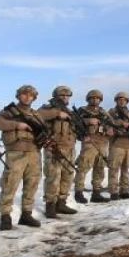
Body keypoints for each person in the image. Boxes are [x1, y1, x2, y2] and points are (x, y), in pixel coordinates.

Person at [0, 85, 44, 231]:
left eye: (31, 95)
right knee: (10, 184)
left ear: (34, 98)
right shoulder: (9, 111)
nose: (27, 97)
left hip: (33, 153)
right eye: (24, 94)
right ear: (19, 96)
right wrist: (16, 125)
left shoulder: (36, 114)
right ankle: (5, 216)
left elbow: (44, 131)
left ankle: (26, 214)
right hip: (15, 153)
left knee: (32, 184)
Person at [37, 86, 79, 218]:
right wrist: (57, 113)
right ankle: (50, 205)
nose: (65, 98)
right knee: (53, 177)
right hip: (54, 148)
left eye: (67, 96)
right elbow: (38, 115)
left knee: (67, 176)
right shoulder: (47, 108)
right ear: (55, 96)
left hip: (70, 148)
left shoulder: (70, 112)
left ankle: (61, 202)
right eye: (62, 96)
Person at [74, 89, 114, 204]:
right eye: (92, 98)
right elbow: (75, 124)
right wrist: (88, 121)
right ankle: (78, 192)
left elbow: (111, 124)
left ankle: (96, 193)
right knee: (83, 167)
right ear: (88, 99)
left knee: (100, 168)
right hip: (89, 143)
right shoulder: (82, 111)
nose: (95, 100)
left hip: (102, 142)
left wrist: (110, 129)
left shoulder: (103, 112)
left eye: (97, 98)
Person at [107, 92, 129, 200]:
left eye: (124, 100)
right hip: (116, 144)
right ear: (116, 100)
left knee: (126, 169)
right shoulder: (111, 112)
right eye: (120, 99)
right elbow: (106, 123)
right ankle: (114, 192)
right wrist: (120, 122)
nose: (122, 101)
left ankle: (124, 191)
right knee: (114, 169)